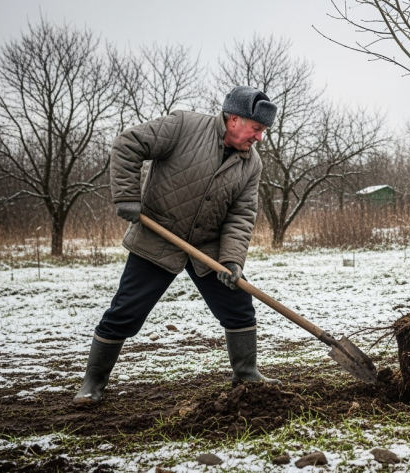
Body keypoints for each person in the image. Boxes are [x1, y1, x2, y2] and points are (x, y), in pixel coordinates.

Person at [73, 86, 280, 406]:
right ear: (234, 119)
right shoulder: (184, 126)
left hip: (208, 245)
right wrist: (127, 195)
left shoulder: (251, 164)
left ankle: (247, 373)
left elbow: (241, 216)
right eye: (256, 129)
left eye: (263, 131)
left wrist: (232, 261)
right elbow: (128, 143)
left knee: (239, 307)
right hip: (159, 236)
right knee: (125, 312)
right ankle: (93, 382)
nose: (259, 138)